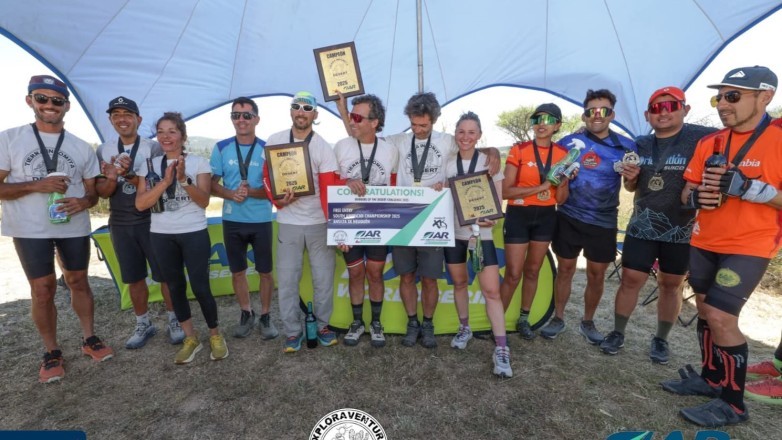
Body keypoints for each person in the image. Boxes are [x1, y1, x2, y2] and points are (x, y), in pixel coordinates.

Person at [662, 66, 782, 427]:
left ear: (765, 97)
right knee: (703, 308)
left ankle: (734, 404)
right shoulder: (709, 142)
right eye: (719, 97)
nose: (722, 105)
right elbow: (686, 192)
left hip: (750, 244)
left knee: (720, 316)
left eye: (733, 96)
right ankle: (712, 378)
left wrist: (754, 190)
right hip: (704, 239)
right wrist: (696, 195)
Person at [0, 75, 113, 383]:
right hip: (29, 228)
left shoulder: (80, 146)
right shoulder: (8, 138)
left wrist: (85, 202)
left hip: (73, 227)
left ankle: (90, 338)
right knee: (42, 289)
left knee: (78, 280)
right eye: (42, 99)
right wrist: (37, 184)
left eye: (56, 100)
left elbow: (93, 193)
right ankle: (51, 351)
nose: (49, 105)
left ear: (67, 106)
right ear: (30, 101)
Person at [599, 87, 717, 363]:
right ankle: (617, 332)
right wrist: (630, 178)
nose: (663, 113)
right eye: (656, 108)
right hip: (642, 225)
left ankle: (661, 339)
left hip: (681, 228)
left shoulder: (700, 137)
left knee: (671, 285)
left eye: (670, 106)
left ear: (685, 109)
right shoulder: (639, 144)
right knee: (630, 280)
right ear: (647, 115)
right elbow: (631, 186)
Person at [385, 92, 500, 348]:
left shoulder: (447, 141)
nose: (418, 129)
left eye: (424, 125)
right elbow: (366, 138)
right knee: (405, 276)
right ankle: (412, 322)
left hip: (434, 219)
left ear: (434, 120)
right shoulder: (399, 141)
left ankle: (428, 324)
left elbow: (470, 148)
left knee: (429, 278)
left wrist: (493, 151)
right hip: (405, 217)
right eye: (414, 124)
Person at [538, 89, 639, 344]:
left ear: (612, 115)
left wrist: (632, 177)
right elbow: (552, 177)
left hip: (604, 220)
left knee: (596, 275)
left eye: (603, 111)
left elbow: (630, 187)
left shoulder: (626, 146)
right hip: (569, 216)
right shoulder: (567, 143)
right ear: (583, 115)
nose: (597, 116)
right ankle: (558, 318)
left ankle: (588, 322)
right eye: (591, 111)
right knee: (565, 270)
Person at [135, 112, 228, 364]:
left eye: (172, 131)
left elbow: (204, 201)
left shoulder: (199, 162)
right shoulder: (149, 165)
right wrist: (164, 183)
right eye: (161, 131)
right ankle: (190, 338)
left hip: (193, 232)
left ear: (182, 136)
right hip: (161, 235)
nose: (166, 137)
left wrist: (183, 180)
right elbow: (142, 204)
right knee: (175, 286)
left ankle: (215, 336)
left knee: (200, 287)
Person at [96, 96, 184, 349]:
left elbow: (159, 186)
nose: (122, 119)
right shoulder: (104, 149)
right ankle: (143, 322)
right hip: (121, 221)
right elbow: (103, 191)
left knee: (164, 274)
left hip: (152, 220)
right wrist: (112, 177)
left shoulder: (153, 148)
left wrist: (130, 174)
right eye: (116, 115)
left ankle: (173, 319)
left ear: (138, 119)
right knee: (134, 278)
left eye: (127, 114)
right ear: (111, 120)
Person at [264, 92, 340, 353]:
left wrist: (336, 226)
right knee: (286, 279)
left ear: (315, 115)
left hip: (319, 223)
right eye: (296, 106)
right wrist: (279, 201)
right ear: (290, 111)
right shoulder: (274, 141)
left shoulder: (323, 147)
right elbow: (266, 178)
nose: (301, 111)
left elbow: (330, 189)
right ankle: (293, 332)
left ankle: (322, 326)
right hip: (288, 221)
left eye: (307, 107)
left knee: (323, 279)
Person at [442, 112, 511, 377]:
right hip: (454, 235)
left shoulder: (489, 163)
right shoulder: (448, 163)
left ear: (479, 135)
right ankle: (465, 327)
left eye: (471, 132)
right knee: (459, 283)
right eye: (461, 131)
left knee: (491, 291)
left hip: (481, 237)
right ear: (455, 134)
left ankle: (502, 347)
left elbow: (498, 201)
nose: (466, 137)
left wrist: (489, 220)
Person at [499, 103, 570, 340]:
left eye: (548, 120)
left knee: (533, 271)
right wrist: (540, 187)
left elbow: (560, 198)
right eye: (537, 119)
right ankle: (497, 322)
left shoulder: (563, 154)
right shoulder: (519, 150)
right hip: (519, 214)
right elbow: (506, 192)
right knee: (513, 273)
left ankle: (523, 318)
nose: (542, 124)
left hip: (547, 215)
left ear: (557, 125)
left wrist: (564, 182)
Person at [209, 97, 278, 341]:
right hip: (232, 221)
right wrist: (230, 194)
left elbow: (275, 189)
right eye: (236, 115)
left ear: (256, 119)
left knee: (265, 272)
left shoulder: (267, 149)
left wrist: (251, 192)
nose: (241, 120)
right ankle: (246, 312)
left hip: (260, 221)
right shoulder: (221, 147)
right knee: (238, 272)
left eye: (247, 115)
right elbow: (210, 184)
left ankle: (266, 315)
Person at [332, 94, 396, 348]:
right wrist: (346, 182)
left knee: (376, 273)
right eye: (350, 116)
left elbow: (396, 185)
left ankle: (376, 323)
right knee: (356, 273)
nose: (352, 121)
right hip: (349, 222)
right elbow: (329, 183)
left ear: (374, 122)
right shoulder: (342, 146)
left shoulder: (391, 149)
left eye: (357, 117)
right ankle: (357, 322)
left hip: (380, 222)